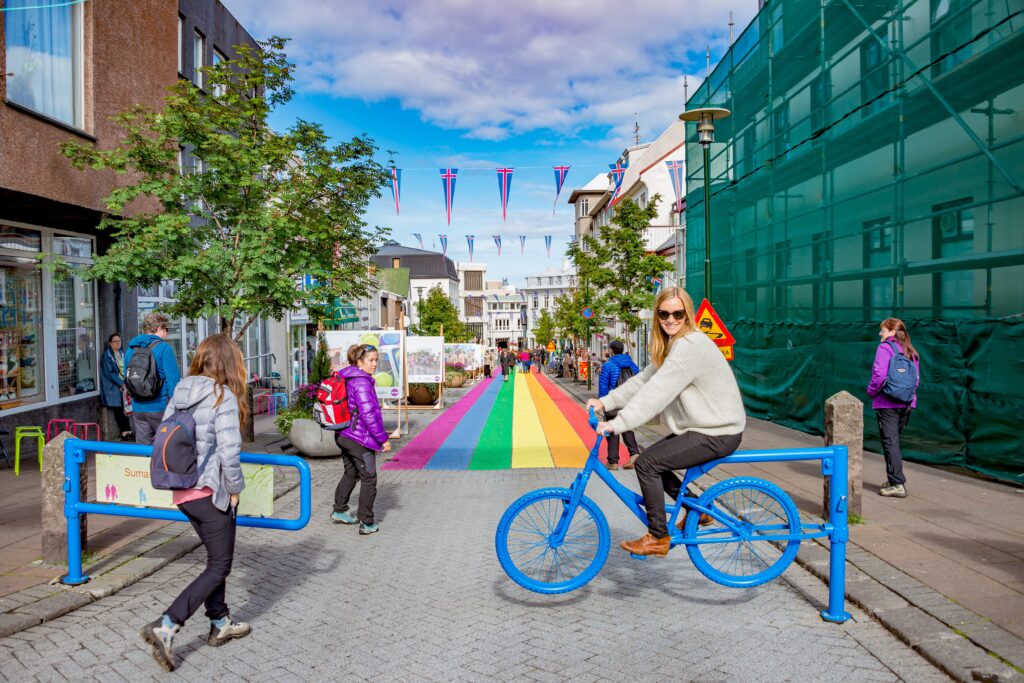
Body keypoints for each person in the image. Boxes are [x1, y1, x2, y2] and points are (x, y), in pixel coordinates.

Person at [587, 287, 745, 557]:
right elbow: (644, 380)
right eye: (664, 314)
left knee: (647, 463)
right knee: (654, 461)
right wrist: (606, 402)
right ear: (657, 315)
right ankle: (700, 512)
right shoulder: (675, 345)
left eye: (678, 313)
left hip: (718, 432)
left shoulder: (689, 347)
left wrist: (617, 423)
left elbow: (654, 394)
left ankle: (658, 537)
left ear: (687, 314)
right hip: (705, 427)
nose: (671, 319)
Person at [139, 333, 249, 672]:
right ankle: (167, 625)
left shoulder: (181, 391)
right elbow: (229, 451)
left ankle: (220, 622)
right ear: (231, 363)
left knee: (217, 558)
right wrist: (234, 488)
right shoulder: (222, 395)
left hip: (183, 489)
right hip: (210, 489)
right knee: (220, 565)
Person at [330, 343, 390, 534]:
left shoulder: (348, 377)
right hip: (359, 438)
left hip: (344, 434)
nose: (375, 364)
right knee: (369, 477)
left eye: (376, 360)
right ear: (359, 362)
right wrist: (382, 439)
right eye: (371, 360)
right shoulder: (361, 382)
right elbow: (369, 415)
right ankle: (367, 522)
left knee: (351, 473)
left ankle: (339, 510)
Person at [866, 318, 920, 498]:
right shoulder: (911, 351)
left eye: (882, 330)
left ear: (891, 332)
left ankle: (897, 483)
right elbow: (917, 379)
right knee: (894, 442)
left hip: (887, 403)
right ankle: (893, 479)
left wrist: (872, 392)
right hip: (907, 402)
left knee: (890, 443)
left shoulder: (885, 348)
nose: (880, 334)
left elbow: (879, 374)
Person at [125, 312, 181, 444]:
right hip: (160, 407)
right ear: (160, 328)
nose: (167, 333)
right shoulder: (164, 348)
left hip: (138, 407)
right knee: (167, 446)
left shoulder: (131, 349)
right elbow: (173, 381)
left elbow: (127, 377)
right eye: (166, 330)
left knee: (145, 450)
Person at [597, 340, 641, 471]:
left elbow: (603, 387)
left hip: (614, 402)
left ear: (611, 350)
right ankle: (634, 454)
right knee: (627, 428)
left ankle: (613, 462)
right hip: (629, 402)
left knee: (612, 431)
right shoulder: (633, 365)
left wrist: (603, 403)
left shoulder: (608, 366)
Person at [99, 333, 132, 439]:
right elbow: (110, 373)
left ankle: (128, 432)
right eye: (115, 341)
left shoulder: (122, 353)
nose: (118, 343)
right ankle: (124, 433)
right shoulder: (107, 355)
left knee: (126, 409)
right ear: (110, 343)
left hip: (125, 385)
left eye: (119, 341)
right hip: (114, 387)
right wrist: (121, 383)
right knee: (119, 410)